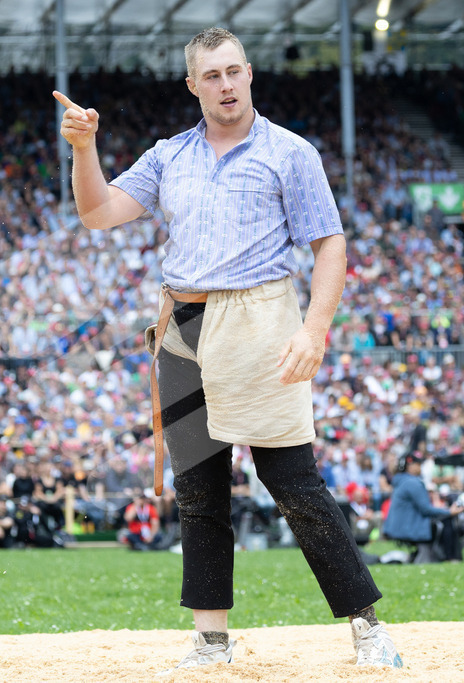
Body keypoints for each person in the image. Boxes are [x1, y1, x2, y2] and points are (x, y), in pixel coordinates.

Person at [54, 26, 401, 671]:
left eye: (234, 71)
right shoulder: (168, 156)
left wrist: (315, 329)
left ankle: (367, 627)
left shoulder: (290, 152)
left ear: (249, 74)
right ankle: (211, 641)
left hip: (260, 321)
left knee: (294, 483)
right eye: (211, 76)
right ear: (194, 85)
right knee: (198, 489)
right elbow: (98, 212)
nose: (226, 85)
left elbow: (330, 243)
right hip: (183, 326)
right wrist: (84, 148)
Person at [382, 453, 463, 563]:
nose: (420, 467)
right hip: (408, 527)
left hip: (399, 526)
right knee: (447, 520)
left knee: (441, 519)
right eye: (418, 464)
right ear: (410, 466)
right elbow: (426, 510)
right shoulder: (412, 483)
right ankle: (451, 558)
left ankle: (440, 556)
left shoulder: (401, 481)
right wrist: (449, 512)